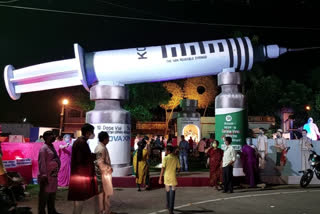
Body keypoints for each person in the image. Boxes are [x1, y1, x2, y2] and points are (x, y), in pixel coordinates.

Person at [68, 123, 98, 214]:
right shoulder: (81, 142)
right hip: (80, 175)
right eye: (92, 132)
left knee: (78, 199)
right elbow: (83, 159)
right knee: (79, 199)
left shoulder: (80, 141)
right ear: (88, 133)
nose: (93, 134)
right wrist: (94, 156)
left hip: (78, 174)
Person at [38, 131, 61, 214]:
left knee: (52, 195)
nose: (54, 137)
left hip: (53, 176)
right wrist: (43, 175)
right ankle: (41, 212)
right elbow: (42, 163)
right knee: (44, 196)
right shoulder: (43, 149)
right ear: (47, 137)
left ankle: (52, 211)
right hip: (46, 176)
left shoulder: (51, 147)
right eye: (52, 136)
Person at [94, 131, 114, 214]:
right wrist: (108, 168)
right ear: (105, 139)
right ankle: (104, 211)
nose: (109, 140)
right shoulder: (101, 148)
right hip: (103, 174)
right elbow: (100, 162)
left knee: (105, 193)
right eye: (108, 138)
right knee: (105, 193)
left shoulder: (101, 147)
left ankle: (106, 210)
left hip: (103, 173)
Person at [159, 145, 180, 214]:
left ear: (168, 151)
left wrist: (160, 178)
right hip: (173, 177)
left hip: (166, 177)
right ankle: (171, 209)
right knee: (172, 194)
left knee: (168, 192)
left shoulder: (165, 158)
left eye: (166, 150)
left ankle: (168, 205)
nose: (165, 151)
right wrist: (177, 172)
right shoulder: (176, 158)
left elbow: (163, 168)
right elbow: (179, 168)